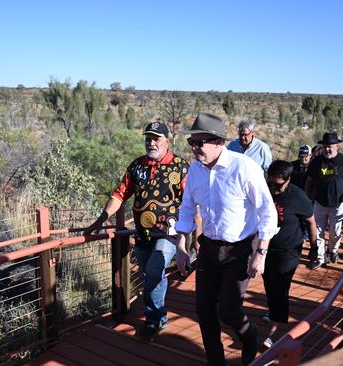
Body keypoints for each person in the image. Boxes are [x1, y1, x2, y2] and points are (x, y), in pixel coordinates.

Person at [174, 112, 277, 366]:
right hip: (208, 247)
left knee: (228, 311)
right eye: (192, 143)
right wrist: (181, 246)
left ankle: (250, 336)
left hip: (240, 249)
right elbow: (187, 208)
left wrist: (260, 253)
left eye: (200, 142)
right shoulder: (196, 171)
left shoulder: (243, 167)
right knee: (204, 310)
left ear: (219, 142)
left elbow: (267, 211)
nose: (195, 148)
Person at [83, 121, 189, 341]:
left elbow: (191, 202)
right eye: (148, 138)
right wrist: (101, 220)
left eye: (156, 138)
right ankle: (159, 316)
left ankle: (153, 320)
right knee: (152, 275)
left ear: (166, 140)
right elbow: (119, 195)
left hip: (169, 232)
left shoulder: (180, 167)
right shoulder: (136, 166)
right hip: (142, 234)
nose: (151, 142)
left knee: (153, 271)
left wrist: (187, 241)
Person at [261, 160, 317, 349]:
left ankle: (276, 332)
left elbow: (311, 222)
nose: (273, 188)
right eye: (270, 183)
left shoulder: (298, 197)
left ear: (288, 180)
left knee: (280, 287)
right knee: (268, 282)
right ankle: (274, 311)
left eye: (278, 185)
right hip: (267, 247)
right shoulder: (265, 190)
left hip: (289, 250)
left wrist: (314, 249)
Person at [305, 132, 343, 269]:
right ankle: (320, 257)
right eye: (325, 146)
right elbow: (309, 181)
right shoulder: (317, 162)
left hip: (338, 203)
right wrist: (307, 200)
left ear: (337, 146)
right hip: (319, 202)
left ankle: (333, 251)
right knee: (318, 230)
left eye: (330, 146)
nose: (328, 149)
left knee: (335, 231)